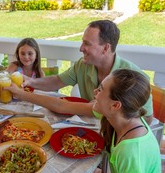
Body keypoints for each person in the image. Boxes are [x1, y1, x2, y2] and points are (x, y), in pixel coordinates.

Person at [22, 20, 153, 124]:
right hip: (87, 127)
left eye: (87, 43)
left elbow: (147, 118)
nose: (81, 48)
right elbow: (57, 81)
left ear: (106, 48)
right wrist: (30, 81)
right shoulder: (83, 65)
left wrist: (106, 112)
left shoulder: (133, 79)